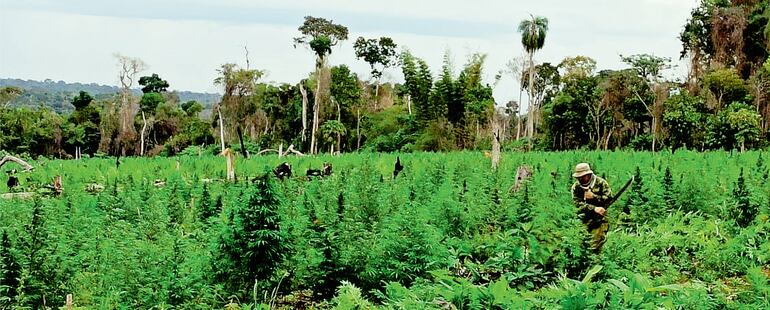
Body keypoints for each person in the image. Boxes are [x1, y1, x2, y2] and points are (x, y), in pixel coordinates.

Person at [571, 163, 613, 253]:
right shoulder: (576, 187)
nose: (580, 179)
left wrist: (594, 197)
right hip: (582, 219)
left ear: (588, 175)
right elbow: (577, 204)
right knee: (580, 246)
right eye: (578, 177)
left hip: (600, 220)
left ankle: (597, 263)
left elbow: (609, 199)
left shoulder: (601, 183)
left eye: (582, 176)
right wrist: (594, 208)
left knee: (594, 246)